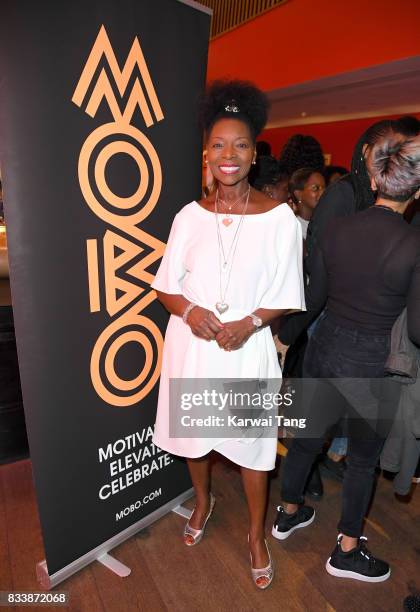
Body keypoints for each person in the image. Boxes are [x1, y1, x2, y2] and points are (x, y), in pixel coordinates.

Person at [151, 80, 305, 589]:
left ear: (254, 154)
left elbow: (286, 293)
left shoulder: (280, 220)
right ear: (206, 154)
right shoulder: (187, 216)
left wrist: (251, 321)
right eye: (218, 145)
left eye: (240, 144)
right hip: (193, 348)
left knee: (251, 448)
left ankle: (257, 535)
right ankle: (202, 501)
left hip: (245, 349)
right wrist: (191, 312)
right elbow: (166, 289)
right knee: (195, 441)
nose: (228, 154)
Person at [271, 127, 420, 582]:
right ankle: (347, 550)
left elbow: (315, 296)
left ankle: (288, 513)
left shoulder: (335, 229)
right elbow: (416, 329)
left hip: (324, 348)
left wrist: (288, 336)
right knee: (361, 461)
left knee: (306, 441)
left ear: (373, 181)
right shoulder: (414, 245)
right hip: (371, 365)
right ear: (415, 190)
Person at [289, 168, 325, 243]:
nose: (322, 193)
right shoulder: (292, 226)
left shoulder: (324, 223)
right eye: (315, 188)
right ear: (298, 194)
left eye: (324, 188)